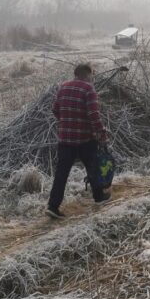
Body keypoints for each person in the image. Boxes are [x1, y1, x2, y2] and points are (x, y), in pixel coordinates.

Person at [46, 63, 111, 218]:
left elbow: (55, 109)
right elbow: (94, 115)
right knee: (93, 167)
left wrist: (66, 122)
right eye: (91, 75)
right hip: (84, 139)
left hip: (65, 140)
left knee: (61, 174)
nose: (92, 78)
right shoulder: (88, 89)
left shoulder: (63, 87)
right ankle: (99, 197)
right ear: (87, 74)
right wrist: (102, 133)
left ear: (75, 74)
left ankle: (52, 206)